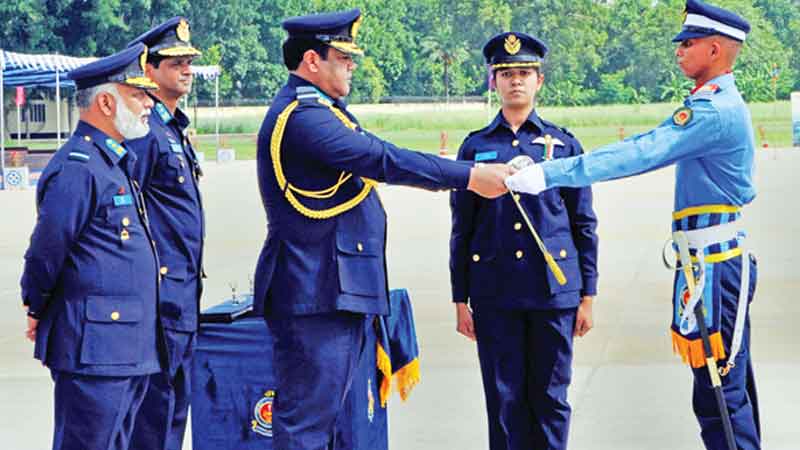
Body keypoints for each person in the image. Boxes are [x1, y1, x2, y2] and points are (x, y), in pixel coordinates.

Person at [254, 8, 512, 450]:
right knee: (306, 426)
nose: (352, 64)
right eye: (343, 56)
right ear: (312, 61)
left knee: (329, 422)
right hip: (315, 290)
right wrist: (468, 176)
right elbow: (383, 159)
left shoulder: (326, 111)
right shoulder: (304, 116)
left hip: (334, 289)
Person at [505, 1, 759, 449]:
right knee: (719, 389)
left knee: (722, 394)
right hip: (704, 259)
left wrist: (549, 174)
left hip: (715, 265)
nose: (679, 50)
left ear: (716, 50)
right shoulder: (710, 103)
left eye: (688, 43)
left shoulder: (712, 111)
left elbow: (641, 152)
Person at [449, 32, 598, 450]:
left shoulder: (563, 144)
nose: (516, 81)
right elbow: (462, 227)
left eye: (525, 73)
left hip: (554, 293)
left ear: (539, 82)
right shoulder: (476, 147)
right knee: (504, 400)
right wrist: (460, 298)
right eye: (507, 73)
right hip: (495, 293)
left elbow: (583, 223)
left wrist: (588, 295)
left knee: (551, 398)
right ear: (493, 82)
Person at [20, 44, 161, 450]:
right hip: (96, 350)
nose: (147, 103)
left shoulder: (111, 162)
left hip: (123, 347)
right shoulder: (79, 167)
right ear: (104, 101)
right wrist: (37, 306)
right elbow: (46, 253)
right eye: (137, 95)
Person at [125, 17, 204, 450]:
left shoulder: (173, 129)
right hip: (157, 299)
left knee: (174, 412)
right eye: (175, 62)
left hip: (182, 298)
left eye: (189, 61)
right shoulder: (145, 133)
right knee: (153, 420)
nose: (187, 69)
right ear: (149, 70)